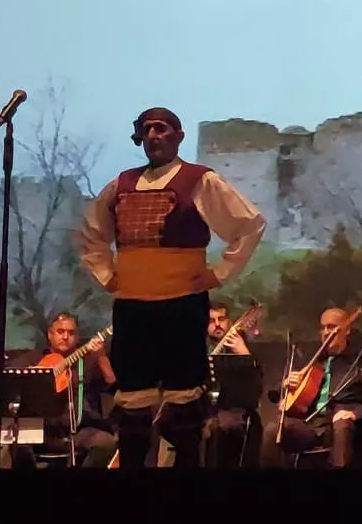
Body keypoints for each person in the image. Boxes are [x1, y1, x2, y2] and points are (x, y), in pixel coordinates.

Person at [79, 107, 266, 469]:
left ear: (178, 137)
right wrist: (108, 276)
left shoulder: (199, 180)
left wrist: (218, 274)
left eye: (161, 128)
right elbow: (91, 233)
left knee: (185, 414)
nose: (153, 135)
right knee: (133, 411)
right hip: (133, 309)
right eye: (147, 129)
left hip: (182, 306)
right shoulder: (121, 185)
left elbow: (249, 224)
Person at [263, 307, 362, 468]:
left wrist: (354, 414)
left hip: (344, 425)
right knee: (273, 430)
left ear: (347, 330)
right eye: (323, 328)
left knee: (341, 424)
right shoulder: (316, 362)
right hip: (314, 424)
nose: (326, 332)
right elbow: (275, 395)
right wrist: (285, 385)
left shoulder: (360, 361)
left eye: (331, 327)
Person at [6, 313, 118, 469]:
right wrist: (31, 377)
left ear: (77, 337)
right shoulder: (33, 358)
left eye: (71, 333)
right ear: (50, 335)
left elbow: (112, 385)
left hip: (81, 432)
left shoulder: (89, 361)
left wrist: (101, 357)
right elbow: (9, 379)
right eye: (60, 332)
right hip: (41, 432)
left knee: (104, 443)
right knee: (17, 444)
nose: (65, 337)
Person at [203, 301, 262, 468]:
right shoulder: (200, 348)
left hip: (234, 410)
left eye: (221, 319)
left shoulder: (244, 348)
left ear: (229, 322)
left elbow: (256, 388)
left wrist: (244, 354)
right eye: (211, 321)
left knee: (218, 427)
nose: (217, 324)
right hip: (202, 408)